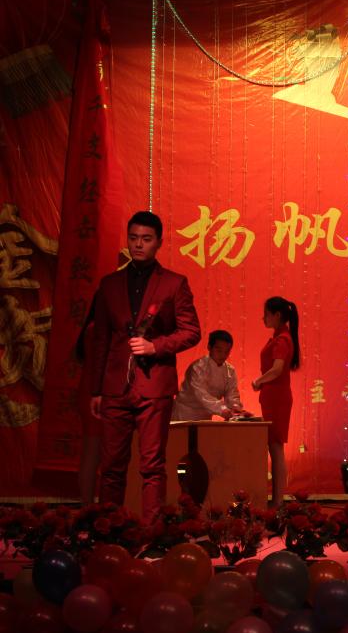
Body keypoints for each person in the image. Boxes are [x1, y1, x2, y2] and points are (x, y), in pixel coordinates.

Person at [88, 211, 200, 523]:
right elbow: (101, 340)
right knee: (111, 467)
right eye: (134, 238)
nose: (138, 244)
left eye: (146, 239)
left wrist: (156, 346)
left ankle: (152, 533)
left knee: (152, 466)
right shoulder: (109, 285)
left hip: (154, 385)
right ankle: (109, 530)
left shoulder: (174, 283)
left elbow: (192, 331)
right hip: (114, 387)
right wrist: (96, 390)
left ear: (159, 243)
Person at [252, 296, 299, 508]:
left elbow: (277, 369)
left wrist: (258, 381)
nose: (263, 318)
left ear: (277, 315)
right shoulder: (280, 337)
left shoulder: (282, 340)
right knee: (274, 446)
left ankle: (278, 501)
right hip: (273, 397)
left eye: (266, 314)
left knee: (276, 447)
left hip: (277, 398)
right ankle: (277, 500)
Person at [171, 329, 247, 421]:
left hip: (205, 415)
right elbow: (201, 395)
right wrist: (222, 409)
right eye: (219, 350)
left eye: (226, 351)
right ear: (209, 347)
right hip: (185, 413)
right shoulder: (198, 367)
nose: (223, 355)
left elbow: (232, 394)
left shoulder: (230, 370)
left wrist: (236, 409)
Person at [74, 294, 101, 503]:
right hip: (98, 395)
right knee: (93, 454)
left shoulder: (91, 328)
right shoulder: (98, 330)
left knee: (91, 452)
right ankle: (88, 505)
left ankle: (88, 505)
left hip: (91, 392)